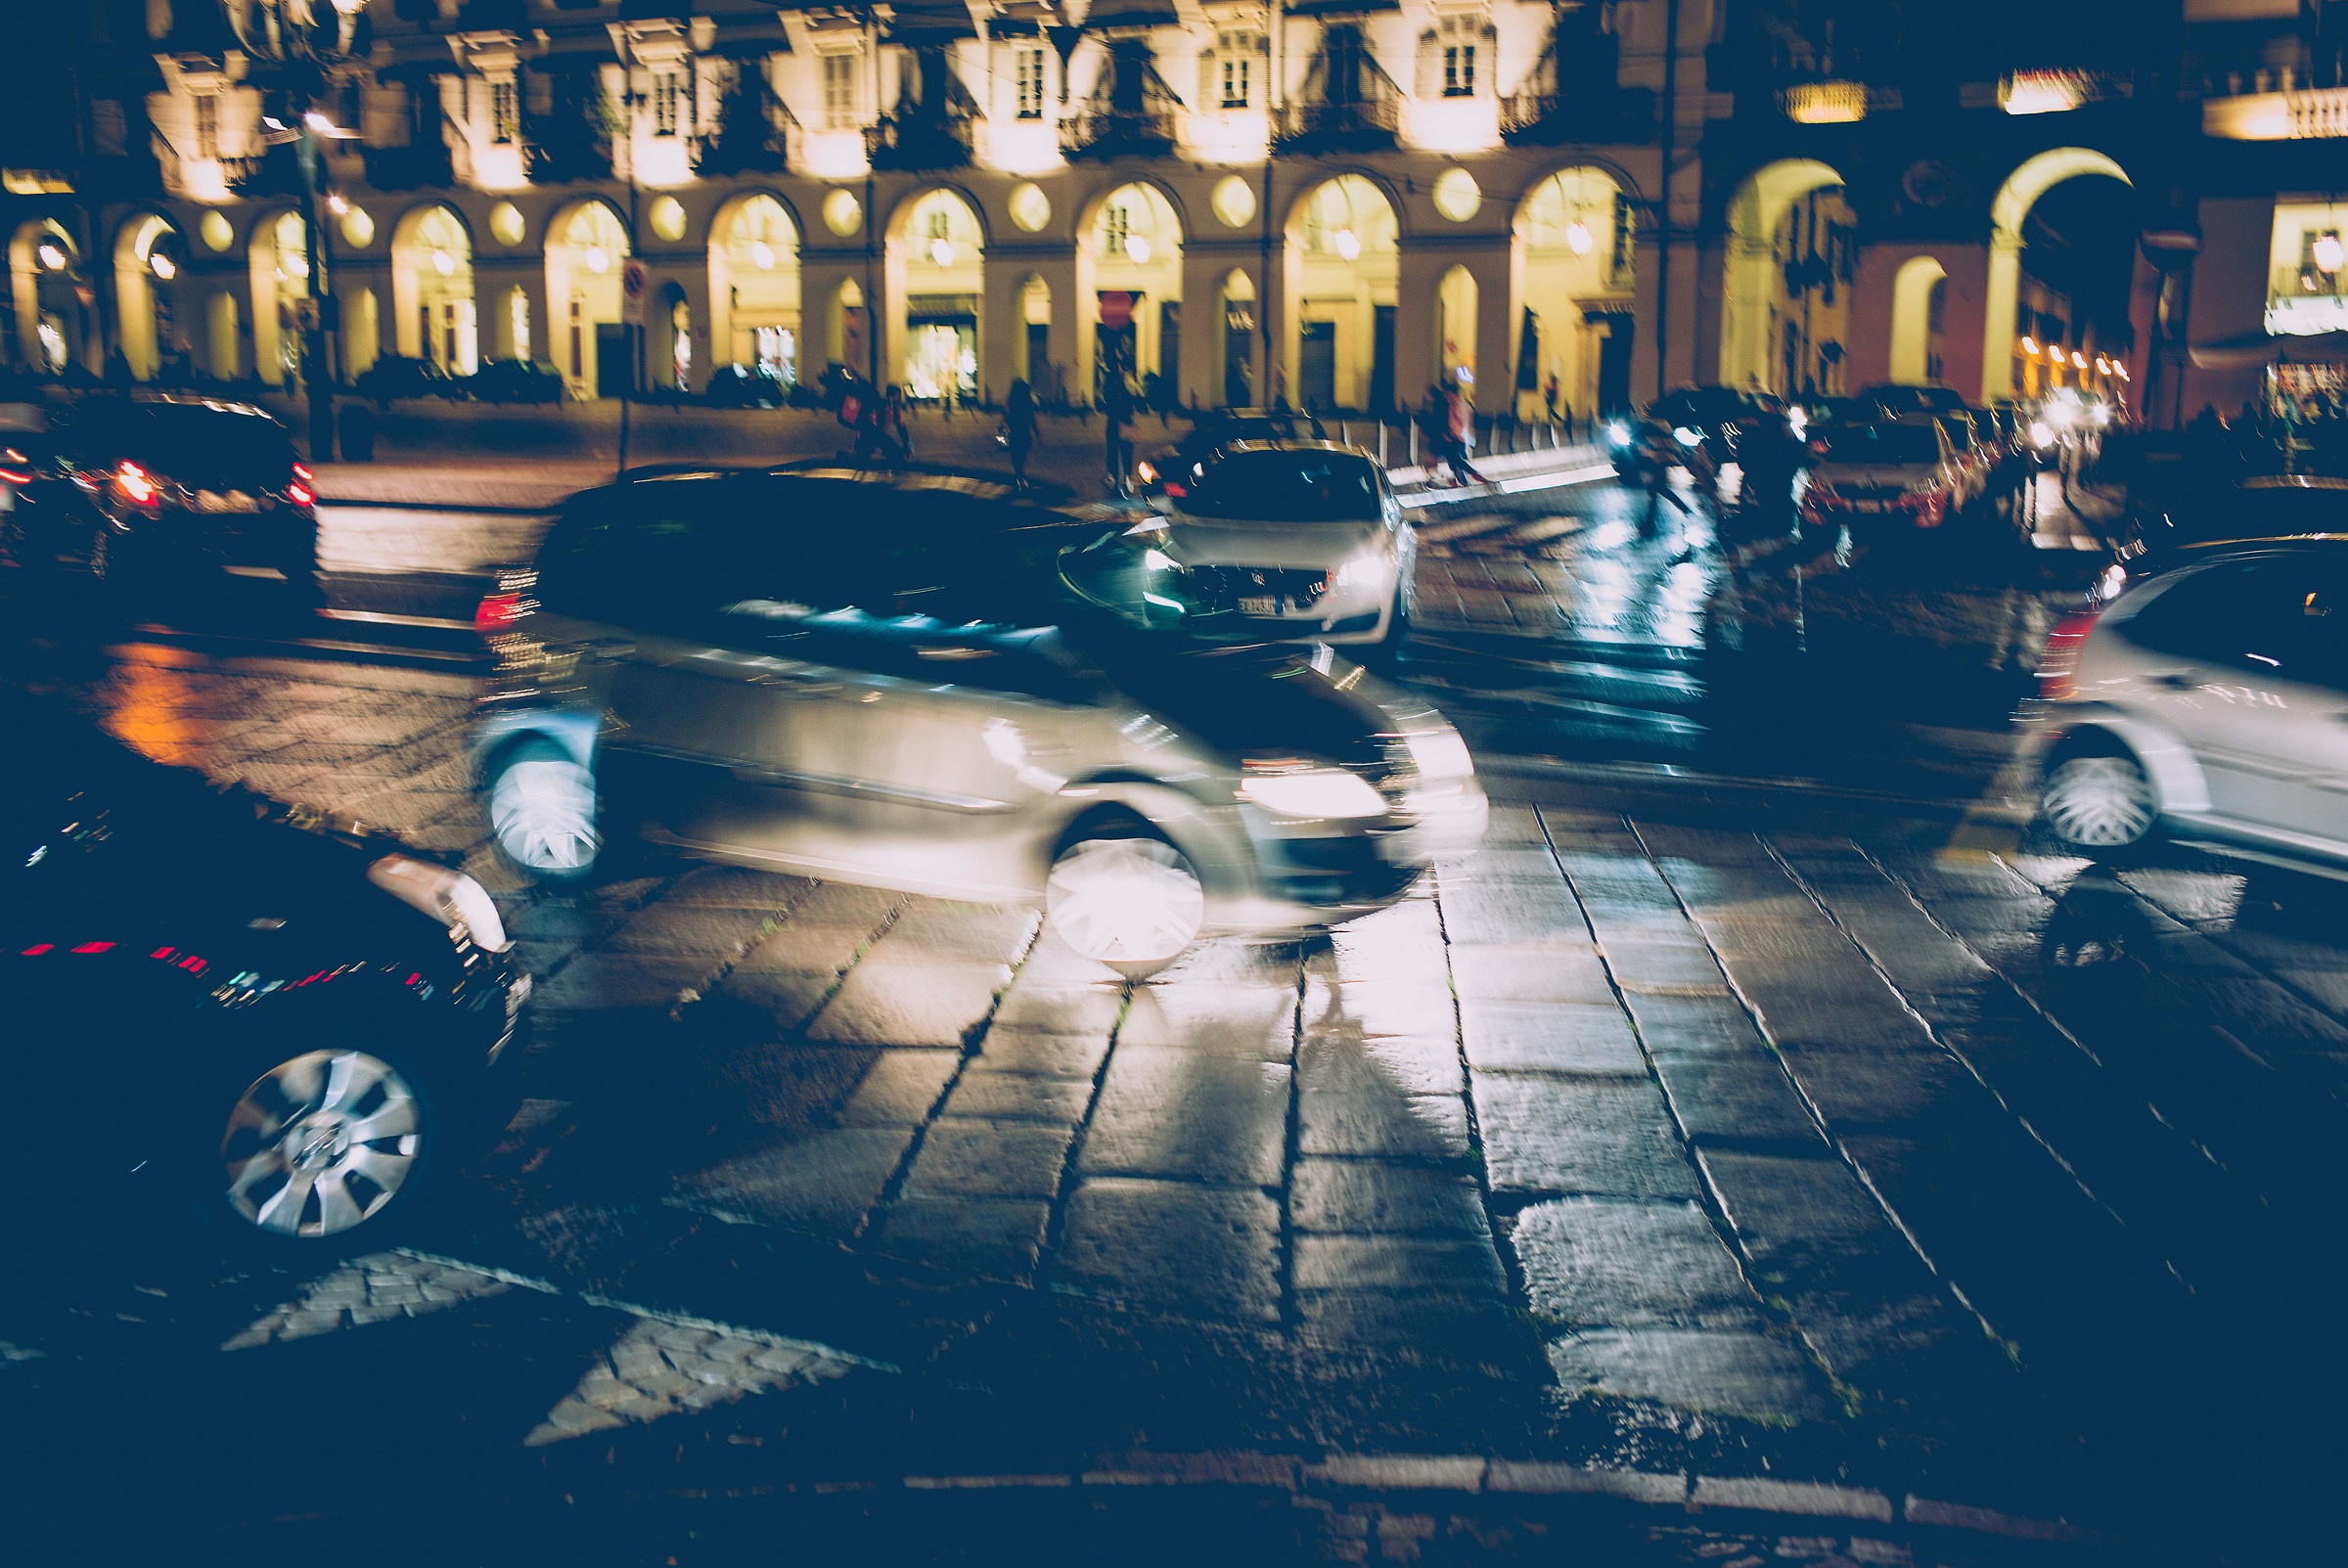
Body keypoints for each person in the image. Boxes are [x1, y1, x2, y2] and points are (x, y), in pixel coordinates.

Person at [1001, 379, 1038, 490]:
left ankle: (1019, 475)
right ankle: (1021, 477)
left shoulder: (1010, 402)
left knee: (1015, 456)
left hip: (1014, 433)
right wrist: (1037, 432)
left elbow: (1005, 418)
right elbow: (1034, 419)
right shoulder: (1029, 403)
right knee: (1022, 456)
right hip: (1025, 433)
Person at [1102, 374, 1135, 496]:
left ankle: (1115, 477)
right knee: (1125, 453)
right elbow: (1130, 406)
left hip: (1115, 423)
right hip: (1123, 423)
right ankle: (1126, 478)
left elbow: (1108, 406)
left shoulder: (1111, 388)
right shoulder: (1125, 386)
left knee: (1114, 452)